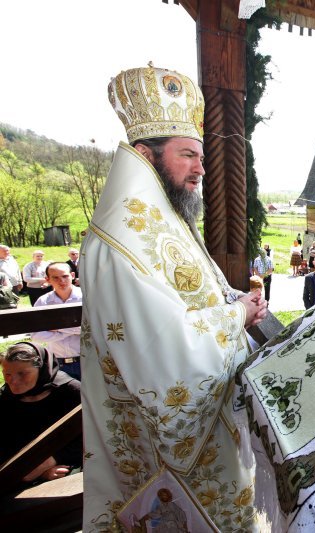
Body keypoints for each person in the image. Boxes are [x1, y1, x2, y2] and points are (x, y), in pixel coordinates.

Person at [80, 65, 268, 531]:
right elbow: (165, 355)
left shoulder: (160, 217)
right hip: (165, 450)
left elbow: (191, 289)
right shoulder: (123, 238)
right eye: (188, 155)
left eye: (200, 156)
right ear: (146, 154)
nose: (201, 169)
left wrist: (229, 298)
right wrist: (236, 316)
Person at [0, 342, 82, 485]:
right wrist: (35, 472)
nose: (13, 381)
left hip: (69, 464)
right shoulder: (5, 398)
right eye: (7, 374)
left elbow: (90, 437)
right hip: (18, 473)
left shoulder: (70, 392)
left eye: (22, 373)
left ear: (42, 368)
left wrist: (50, 462)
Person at [30, 263, 83, 380]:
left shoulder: (85, 297)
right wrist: (74, 329)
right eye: (55, 278)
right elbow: (36, 336)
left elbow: (91, 329)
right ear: (47, 279)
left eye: (65, 276)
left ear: (72, 275)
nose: (61, 281)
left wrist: (57, 328)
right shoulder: (43, 302)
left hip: (87, 360)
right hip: (58, 363)